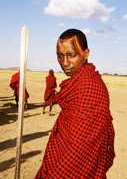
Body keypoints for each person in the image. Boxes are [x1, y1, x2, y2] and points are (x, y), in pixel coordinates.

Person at [35, 29, 115, 178]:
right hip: (59, 156)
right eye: (60, 56)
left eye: (71, 55)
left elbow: (80, 149)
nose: (65, 63)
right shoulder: (77, 82)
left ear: (86, 54)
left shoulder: (89, 86)